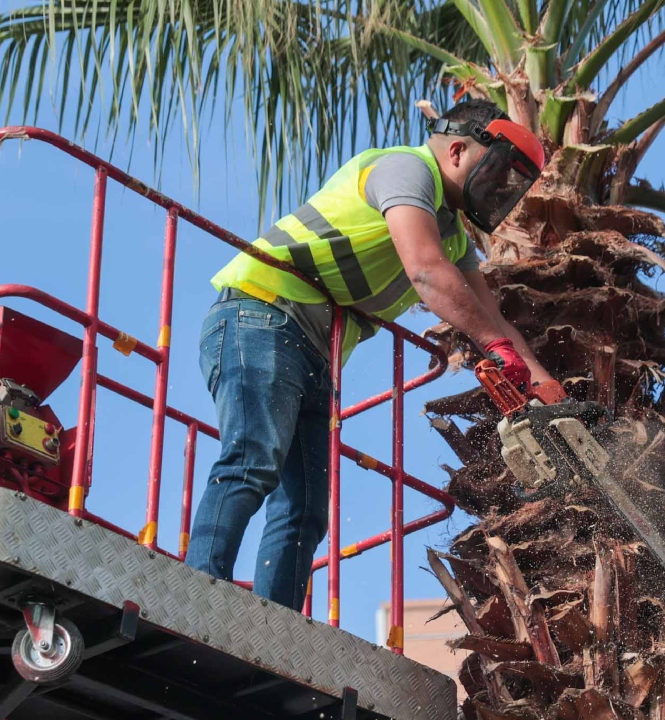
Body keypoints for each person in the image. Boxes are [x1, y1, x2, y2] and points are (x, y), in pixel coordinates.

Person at [190, 98, 555, 611]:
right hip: (260, 314)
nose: (499, 191)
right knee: (253, 457)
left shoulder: (452, 235)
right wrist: (494, 348)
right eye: (497, 175)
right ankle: (196, 593)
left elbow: (492, 321)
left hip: (314, 351)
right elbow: (426, 272)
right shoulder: (407, 170)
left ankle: (274, 625)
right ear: (456, 149)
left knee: (306, 509)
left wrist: (547, 391)